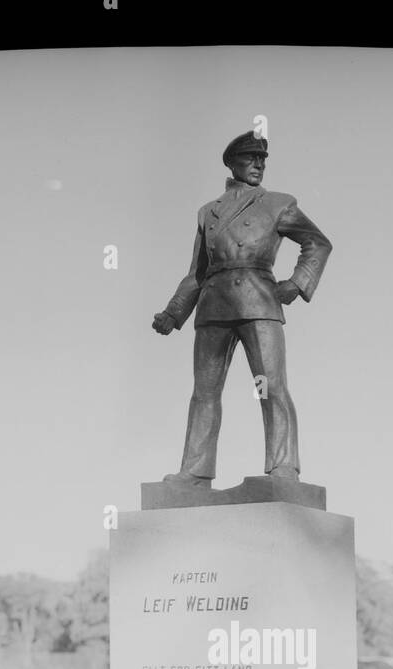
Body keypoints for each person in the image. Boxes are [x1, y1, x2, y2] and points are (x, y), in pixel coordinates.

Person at [152, 131, 332, 485]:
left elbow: (317, 242)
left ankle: (283, 466)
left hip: (259, 302)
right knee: (204, 393)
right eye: (252, 159)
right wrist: (173, 313)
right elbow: (198, 272)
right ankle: (194, 471)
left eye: (262, 160)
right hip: (213, 305)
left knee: (270, 386)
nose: (259, 165)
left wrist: (297, 283)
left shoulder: (278, 203)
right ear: (233, 163)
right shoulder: (208, 212)